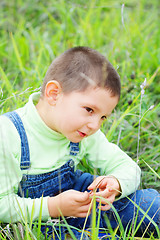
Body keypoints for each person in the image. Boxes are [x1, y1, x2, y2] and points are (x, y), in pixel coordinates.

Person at [0, 46, 159, 239]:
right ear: (54, 94)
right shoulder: (9, 133)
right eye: (89, 110)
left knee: (151, 205)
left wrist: (116, 183)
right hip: (38, 223)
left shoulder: (84, 132)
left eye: (103, 117)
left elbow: (128, 167)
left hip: (83, 204)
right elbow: (2, 204)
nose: (95, 125)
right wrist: (53, 206)